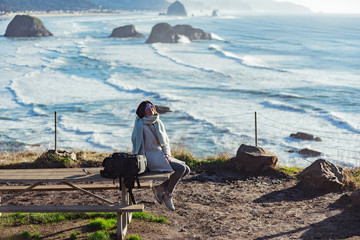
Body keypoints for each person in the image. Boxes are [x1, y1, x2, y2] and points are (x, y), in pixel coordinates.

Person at [131, 100, 190, 211]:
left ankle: (161, 187)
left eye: (152, 107)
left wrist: (167, 153)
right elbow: (136, 143)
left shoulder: (158, 122)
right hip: (149, 157)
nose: (151, 109)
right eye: (148, 108)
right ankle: (168, 194)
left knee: (187, 170)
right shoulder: (140, 124)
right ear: (142, 112)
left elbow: (165, 142)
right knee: (181, 168)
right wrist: (139, 161)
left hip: (161, 154)